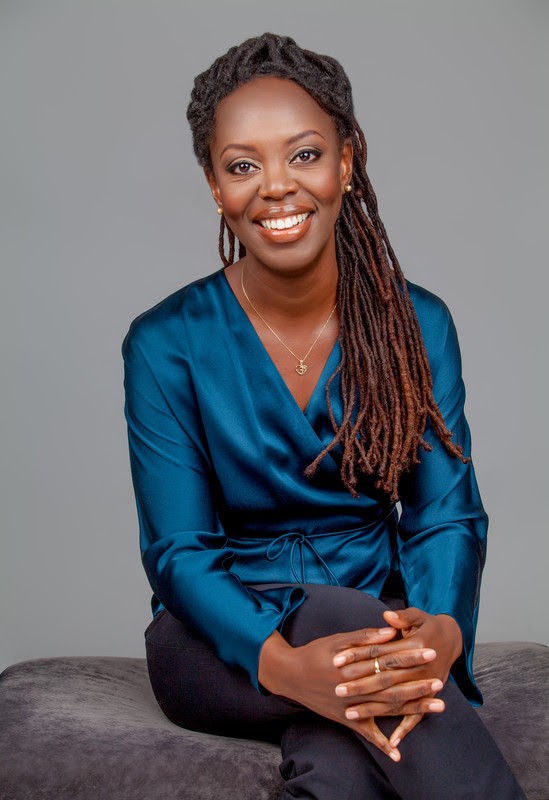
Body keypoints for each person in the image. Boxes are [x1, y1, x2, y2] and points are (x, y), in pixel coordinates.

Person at [123, 33, 525, 799]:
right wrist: (282, 666)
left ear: (346, 161)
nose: (276, 186)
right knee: (350, 631)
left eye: (303, 154)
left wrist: (438, 629)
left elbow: (444, 517)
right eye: (242, 165)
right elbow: (178, 551)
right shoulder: (164, 343)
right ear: (214, 185)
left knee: (341, 752)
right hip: (215, 643)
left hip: (380, 623)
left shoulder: (415, 325)